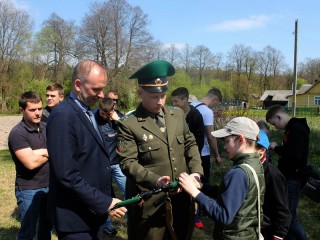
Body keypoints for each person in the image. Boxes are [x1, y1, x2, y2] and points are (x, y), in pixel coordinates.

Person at [117, 60, 203, 240]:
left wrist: (196, 173)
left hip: (181, 200)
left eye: (163, 95)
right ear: (140, 93)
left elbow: (190, 144)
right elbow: (128, 163)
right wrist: (156, 181)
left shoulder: (177, 115)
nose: (160, 101)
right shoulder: (129, 124)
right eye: (154, 96)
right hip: (151, 205)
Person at [46, 60, 127, 240]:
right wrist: (105, 202)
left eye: (102, 88)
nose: (101, 95)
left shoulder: (86, 112)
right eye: (96, 89)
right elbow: (66, 174)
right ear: (77, 85)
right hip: (75, 219)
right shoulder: (63, 117)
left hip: (91, 215)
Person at [178, 117, 265, 239]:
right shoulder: (256, 165)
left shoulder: (238, 173)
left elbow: (223, 215)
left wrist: (194, 192)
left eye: (227, 141)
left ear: (240, 139)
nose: (224, 147)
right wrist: (202, 186)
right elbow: (234, 196)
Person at [8, 91, 51, 240]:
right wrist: (50, 151)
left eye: (40, 108)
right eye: (32, 110)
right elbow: (31, 163)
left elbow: (60, 148)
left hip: (50, 186)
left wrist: (40, 152)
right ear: (22, 110)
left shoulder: (47, 127)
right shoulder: (17, 133)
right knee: (28, 231)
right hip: (29, 189)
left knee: (46, 228)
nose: (38, 113)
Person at [266, 104, 309, 240]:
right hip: (288, 176)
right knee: (286, 211)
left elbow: (294, 154)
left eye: (274, 123)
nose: (275, 127)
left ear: (279, 116)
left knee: (289, 213)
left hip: (294, 178)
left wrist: (277, 148)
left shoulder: (297, 129)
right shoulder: (291, 129)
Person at [171, 87, 205, 229]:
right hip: (176, 158)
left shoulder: (196, 116)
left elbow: (199, 141)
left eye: (176, 101)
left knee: (193, 185)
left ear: (185, 100)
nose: (173, 104)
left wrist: (191, 159)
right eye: (172, 101)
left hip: (190, 157)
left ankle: (194, 212)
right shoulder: (172, 114)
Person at [94, 96, 126, 235]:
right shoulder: (92, 118)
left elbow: (131, 130)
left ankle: (133, 220)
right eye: (102, 113)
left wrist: (117, 119)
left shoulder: (118, 118)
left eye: (108, 114)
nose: (105, 117)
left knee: (128, 190)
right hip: (100, 165)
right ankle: (106, 225)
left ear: (113, 110)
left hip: (116, 164)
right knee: (104, 195)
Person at [256, 130, 292, 240]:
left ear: (262, 150)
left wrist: (278, 236)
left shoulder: (272, 175)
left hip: (267, 231)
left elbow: (283, 211)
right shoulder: (245, 168)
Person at [190, 87, 222, 184]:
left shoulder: (191, 105)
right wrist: (217, 156)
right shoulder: (207, 111)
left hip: (190, 150)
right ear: (214, 99)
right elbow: (210, 137)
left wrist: (213, 116)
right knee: (203, 183)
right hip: (203, 153)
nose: (214, 106)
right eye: (216, 103)